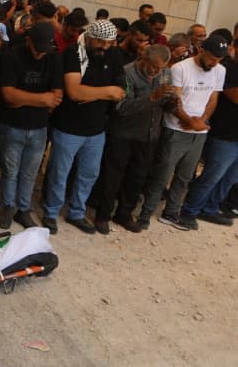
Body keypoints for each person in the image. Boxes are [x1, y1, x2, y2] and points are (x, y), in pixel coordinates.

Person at [42, 20, 126, 234]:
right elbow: (75, 92)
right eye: (100, 42)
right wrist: (106, 92)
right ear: (88, 37)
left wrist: (92, 93)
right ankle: (51, 212)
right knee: (59, 174)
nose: (104, 47)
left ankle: (76, 213)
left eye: (109, 43)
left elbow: (121, 89)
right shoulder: (72, 54)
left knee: (89, 174)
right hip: (68, 128)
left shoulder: (114, 55)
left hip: (97, 130)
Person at [138, 34, 227, 230]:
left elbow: (213, 98)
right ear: (202, 50)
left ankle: (171, 212)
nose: (214, 63)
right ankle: (146, 212)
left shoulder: (220, 70)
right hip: (175, 129)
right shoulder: (179, 68)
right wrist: (189, 121)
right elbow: (172, 100)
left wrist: (201, 121)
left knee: (185, 176)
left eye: (219, 59)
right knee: (162, 174)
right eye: (212, 58)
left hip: (199, 132)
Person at [93, 45, 174, 233]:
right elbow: (122, 107)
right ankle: (102, 215)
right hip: (124, 135)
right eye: (153, 66)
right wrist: (151, 98)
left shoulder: (165, 73)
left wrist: (171, 101)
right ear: (143, 58)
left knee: (137, 178)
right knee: (113, 177)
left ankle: (124, 214)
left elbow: (163, 101)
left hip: (149, 136)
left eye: (161, 68)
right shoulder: (127, 74)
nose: (156, 71)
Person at [0, 22, 63, 230]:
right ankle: (8, 206)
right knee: (10, 169)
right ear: (28, 41)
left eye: (44, 50)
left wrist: (24, 98)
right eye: (37, 49)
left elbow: (57, 97)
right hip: (12, 125)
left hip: (39, 127)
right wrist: (43, 99)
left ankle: (23, 209)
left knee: (29, 172)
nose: (40, 54)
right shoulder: (12, 56)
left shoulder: (53, 58)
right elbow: (8, 95)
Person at [180, 34, 238, 227]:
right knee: (212, 174)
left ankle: (210, 208)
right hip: (224, 134)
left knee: (230, 177)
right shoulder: (228, 68)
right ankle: (189, 209)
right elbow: (234, 96)